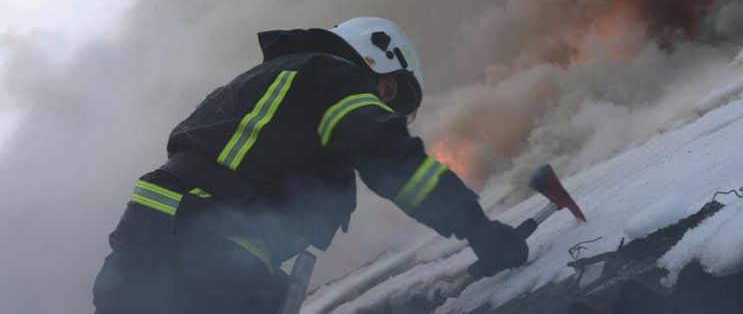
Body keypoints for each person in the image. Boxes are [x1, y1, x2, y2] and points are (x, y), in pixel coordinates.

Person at [93, 17, 529, 314]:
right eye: (389, 94)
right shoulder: (332, 74)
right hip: (210, 245)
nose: (382, 106)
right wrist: (477, 227)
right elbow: (390, 157)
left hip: (144, 242)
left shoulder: (264, 82)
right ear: (378, 61)